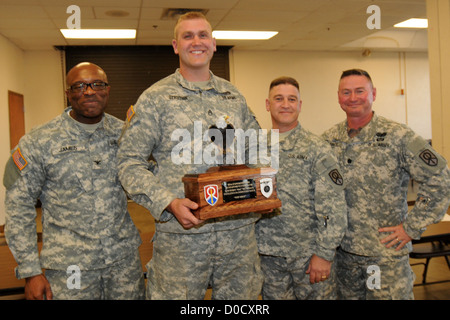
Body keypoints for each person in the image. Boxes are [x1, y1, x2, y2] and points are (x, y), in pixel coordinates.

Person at [117, 12, 263, 299]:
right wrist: (167, 202)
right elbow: (128, 163)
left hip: (238, 239)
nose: (196, 41)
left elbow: (256, 150)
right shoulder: (155, 98)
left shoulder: (234, 97)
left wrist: (259, 190)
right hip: (181, 242)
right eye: (188, 36)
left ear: (214, 43)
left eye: (203, 35)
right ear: (175, 45)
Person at [3, 62, 145, 300]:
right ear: (68, 93)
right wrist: (30, 272)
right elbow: (19, 207)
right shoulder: (39, 141)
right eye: (79, 86)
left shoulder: (126, 135)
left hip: (123, 264)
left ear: (107, 90)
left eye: (97, 84)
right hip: (70, 267)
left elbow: (148, 181)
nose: (89, 91)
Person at [322, 68, 450, 300]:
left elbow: (440, 177)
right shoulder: (329, 140)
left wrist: (411, 227)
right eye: (346, 92)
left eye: (360, 91)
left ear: (373, 94)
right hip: (344, 257)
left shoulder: (398, 136)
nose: (353, 98)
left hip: (384, 256)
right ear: (338, 97)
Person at [255, 77, 347, 300]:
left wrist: (324, 254)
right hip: (267, 256)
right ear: (268, 104)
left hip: (308, 257)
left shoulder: (317, 149)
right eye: (279, 99)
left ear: (299, 105)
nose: (285, 104)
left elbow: (333, 206)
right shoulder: (255, 148)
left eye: (291, 99)